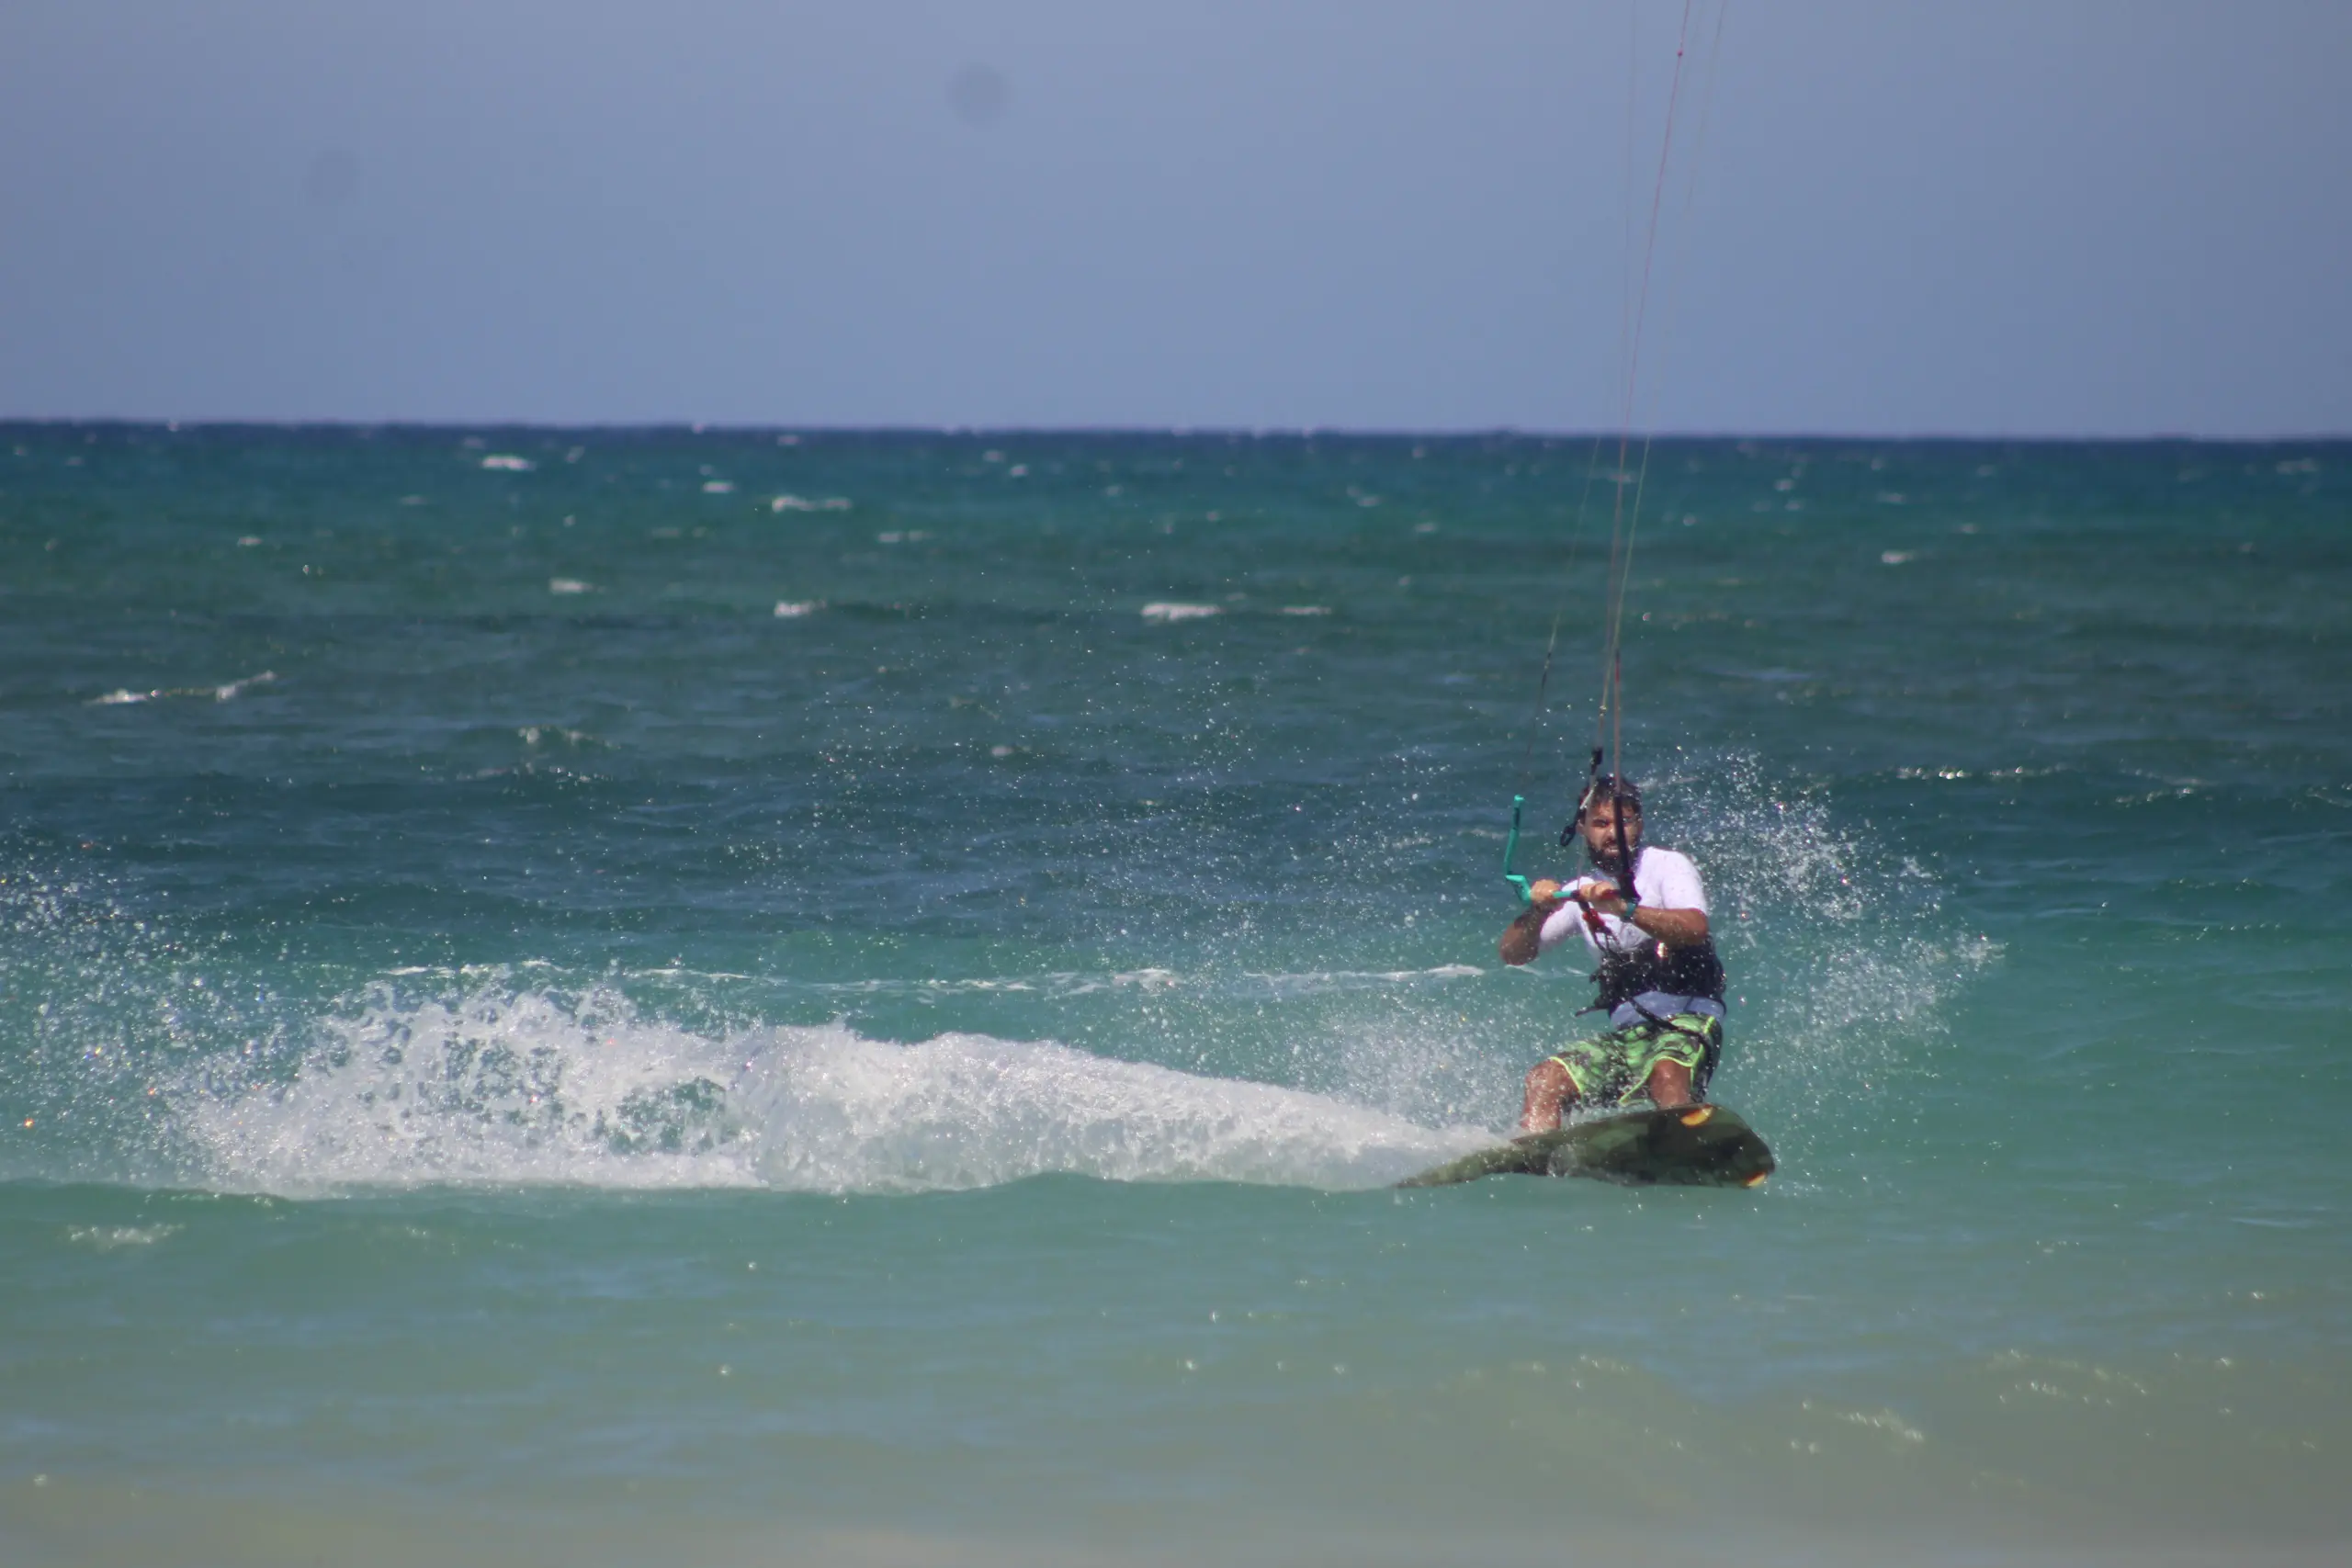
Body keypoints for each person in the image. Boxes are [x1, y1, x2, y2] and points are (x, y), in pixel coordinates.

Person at [1498, 776, 1727, 1132]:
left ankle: (1683, 1145)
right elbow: (1512, 954)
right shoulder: (1579, 894)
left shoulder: (1666, 866)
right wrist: (1538, 910)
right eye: (1601, 824)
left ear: (1639, 824)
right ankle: (1537, 1155)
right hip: (1630, 1036)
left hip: (1689, 1018)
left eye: (1624, 823)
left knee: (1665, 1072)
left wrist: (1623, 908)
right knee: (1544, 1080)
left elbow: (1695, 927)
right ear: (1583, 829)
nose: (1613, 833)